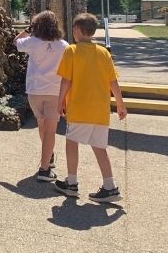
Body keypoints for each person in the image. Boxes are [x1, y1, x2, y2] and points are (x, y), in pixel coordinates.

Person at [54, 12, 127, 203]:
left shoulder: (72, 51)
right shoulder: (104, 53)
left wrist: (60, 101)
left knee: (71, 142)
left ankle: (71, 182)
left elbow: (66, 81)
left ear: (77, 30)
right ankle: (110, 186)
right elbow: (113, 81)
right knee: (100, 147)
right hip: (100, 109)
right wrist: (120, 103)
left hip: (79, 106)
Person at [14, 11, 69, 182]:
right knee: (51, 130)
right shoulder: (64, 45)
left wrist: (28, 30)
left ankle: (48, 156)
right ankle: (44, 169)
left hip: (35, 91)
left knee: (41, 124)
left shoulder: (32, 42)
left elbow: (16, 42)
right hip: (54, 91)